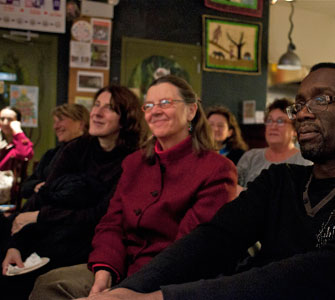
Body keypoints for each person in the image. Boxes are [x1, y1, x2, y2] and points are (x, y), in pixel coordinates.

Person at [73, 63, 335, 300]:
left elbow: (329, 271)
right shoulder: (281, 180)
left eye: (322, 99)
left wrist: (163, 297)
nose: (303, 113)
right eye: (298, 104)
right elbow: (212, 240)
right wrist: (126, 291)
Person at [29, 75, 237, 299]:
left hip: (169, 281)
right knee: (50, 284)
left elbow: (189, 249)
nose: (155, 111)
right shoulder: (134, 163)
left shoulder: (217, 169)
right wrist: (103, 273)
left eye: (165, 103)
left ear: (191, 111)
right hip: (119, 266)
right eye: (148, 105)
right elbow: (111, 224)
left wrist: (124, 292)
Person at [0, 85, 144, 300]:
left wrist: (41, 216)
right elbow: (43, 195)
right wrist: (15, 245)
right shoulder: (76, 148)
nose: (96, 112)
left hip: (83, 246)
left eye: (109, 108)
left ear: (125, 119)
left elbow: (98, 215)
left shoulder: (133, 160)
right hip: (48, 236)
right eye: (96, 105)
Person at [237, 98, 311, 189]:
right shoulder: (250, 157)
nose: (273, 126)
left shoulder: (304, 161)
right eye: (269, 121)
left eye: (280, 121)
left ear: (295, 130)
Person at [20, 103, 90, 199]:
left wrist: (47, 189)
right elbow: (25, 188)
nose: (55, 127)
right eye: (54, 121)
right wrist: (37, 186)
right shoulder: (51, 154)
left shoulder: (91, 152)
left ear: (81, 124)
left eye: (60, 120)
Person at [0, 106, 33, 171]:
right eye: (2, 119)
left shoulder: (21, 141)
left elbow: (25, 154)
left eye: (10, 119)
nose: (5, 123)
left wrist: (18, 132)